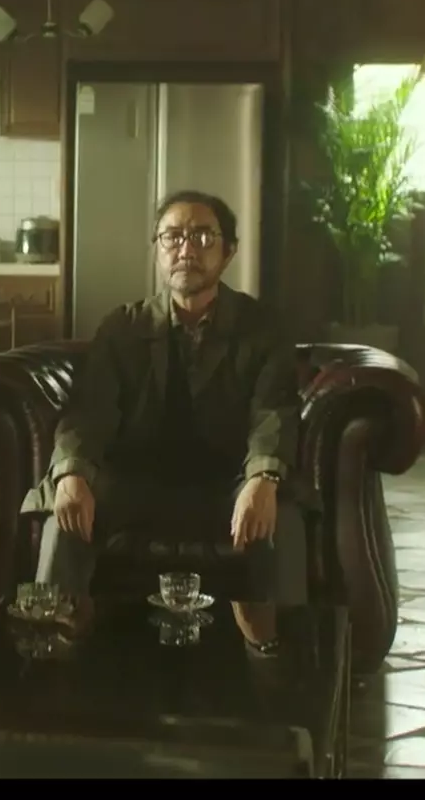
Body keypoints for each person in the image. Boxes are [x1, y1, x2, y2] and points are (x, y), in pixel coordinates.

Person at [23, 190, 307, 642]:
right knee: (67, 510)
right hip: (135, 485)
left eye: (202, 237)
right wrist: (72, 473)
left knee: (282, 517)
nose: (186, 249)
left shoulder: (261, 328)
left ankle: (286, 657)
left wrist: (263, 477)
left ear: (229, 251)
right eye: (172, 237)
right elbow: (89, 411)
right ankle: (49, 648)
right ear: (157, 249)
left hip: (229, 486)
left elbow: (273, 409)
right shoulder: (123, 327)